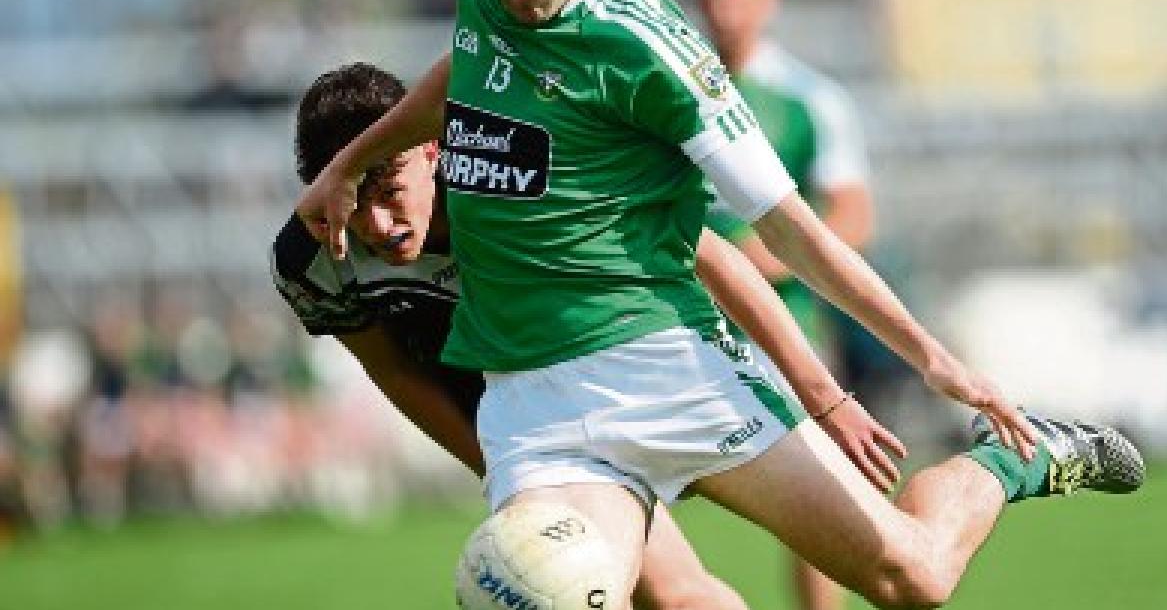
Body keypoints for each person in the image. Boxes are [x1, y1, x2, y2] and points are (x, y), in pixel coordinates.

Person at [296, 0, 1145, 608]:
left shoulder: (650, 49)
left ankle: (1010, 461)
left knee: (912, 578)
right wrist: (347, 166)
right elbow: (465, 71)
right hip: (536, 410)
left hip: (668, 369)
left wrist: (931, 360)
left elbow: (792, 231)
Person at [275, 62, 901, 608]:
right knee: (642, 594)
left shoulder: (515, 170)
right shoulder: (313, 259)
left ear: (431, 150)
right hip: (534, 425)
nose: (377, 225)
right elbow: (394, 370)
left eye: (390, 191)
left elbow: (707, 253)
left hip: (636, 367)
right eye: (351, 204)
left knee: (894, 573)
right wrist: (496, 467)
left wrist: (823, 396)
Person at [697, 0, 879, 610]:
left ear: (768, 0)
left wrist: (766, 258)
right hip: (681, 320)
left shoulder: (810, 100)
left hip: (785, 325)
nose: (722, 8)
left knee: (817, 496)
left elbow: (854, 216)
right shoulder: (674, 92)